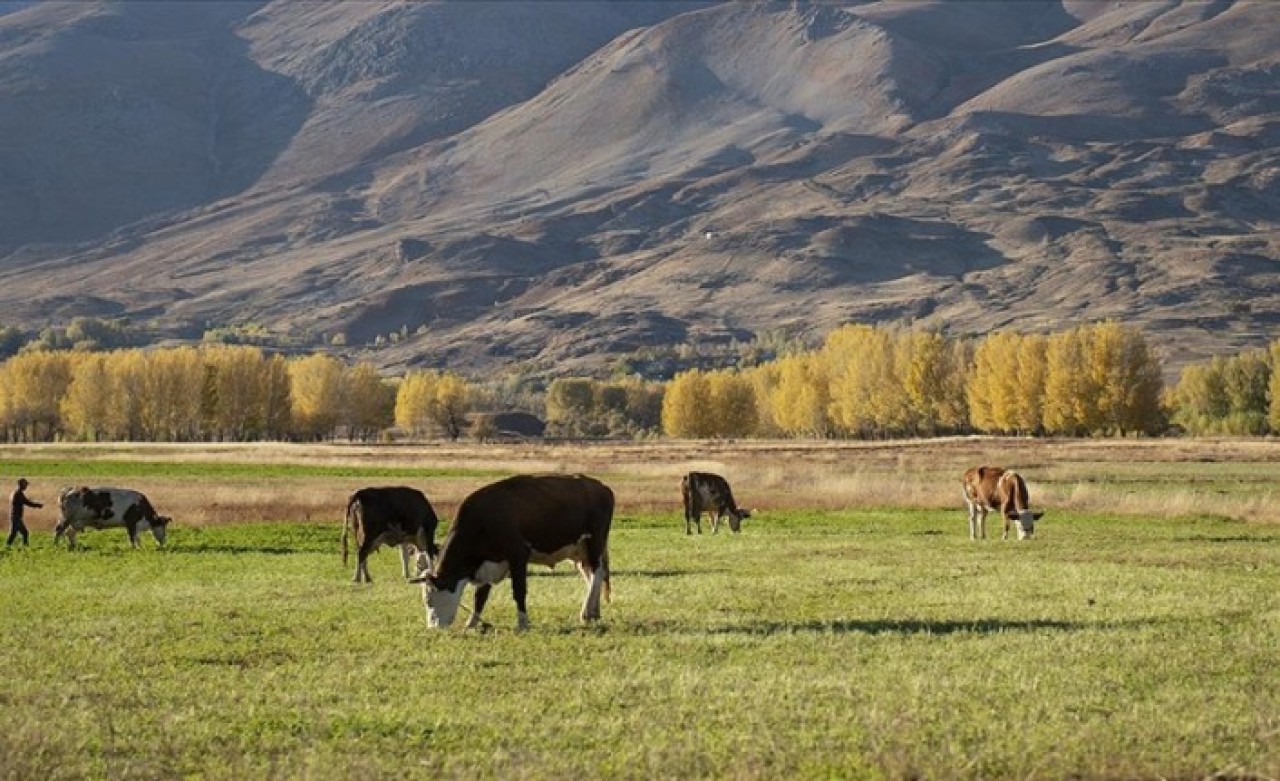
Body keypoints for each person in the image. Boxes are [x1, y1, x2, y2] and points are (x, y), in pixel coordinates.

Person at [8, 478, 42, 547]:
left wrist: (36, 505)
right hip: (16, 517)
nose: (26, 487)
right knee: (21, 533)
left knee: (18, 533)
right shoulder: (18, 493)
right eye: (25, 485)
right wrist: (37, 505)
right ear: (21, 485)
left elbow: (26, 501)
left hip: (15, 517)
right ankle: (22, 547)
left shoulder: (16, 493)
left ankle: (10, 546)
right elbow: (27, 502)